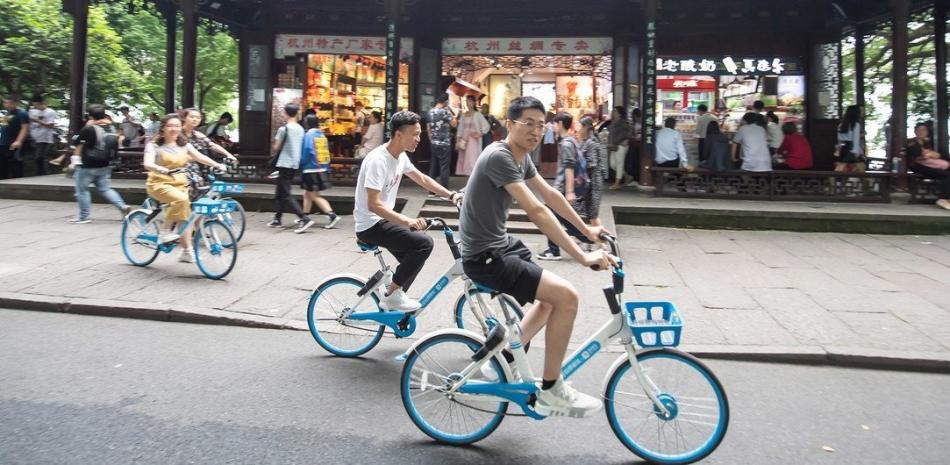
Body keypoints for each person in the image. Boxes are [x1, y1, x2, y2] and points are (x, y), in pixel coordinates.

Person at [459, 96, 615, 418]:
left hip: (500, 245)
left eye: (541, 125)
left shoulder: (521, 157)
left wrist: (587, 230)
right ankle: (551, 390)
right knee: (567, 297)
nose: (535, 131)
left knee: (549, 300)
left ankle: (505, 358)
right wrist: (583, 257)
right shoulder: (499, 156)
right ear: (510, 124)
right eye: (528, 123)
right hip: (485, 256)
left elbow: (551, 195)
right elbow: (537, 210)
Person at [353, 111, 463, 311]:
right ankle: (392, 296)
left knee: (412, 257)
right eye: (415, 134)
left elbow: (422, 179)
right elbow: (373, 205)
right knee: (423, 244)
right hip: (370, 224)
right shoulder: (378, 160)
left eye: (419, 134)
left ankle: (394, 297)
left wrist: (451, 195)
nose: (419, 139)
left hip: (383, 220)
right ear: (398, 135)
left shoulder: (400, 156)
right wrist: (407, 221)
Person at [142, 113, 227, 261]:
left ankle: (186, 252)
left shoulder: (184, 145)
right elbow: (147, 163)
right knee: (181, 200)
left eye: (177, 126)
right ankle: (165, 231)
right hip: (159, 183)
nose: (174, 129)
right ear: (162, 128)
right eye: (170, 126)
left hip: (181, 183)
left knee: (185, 218)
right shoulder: (153, 145)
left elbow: (200, 157)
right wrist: (158, 168)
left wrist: (217, 164)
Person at [538, 112, 594, 260]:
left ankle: (585, 239)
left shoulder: (567, 143)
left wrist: (569, 191)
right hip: (561, 188)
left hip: (562, 188)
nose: (553, 126)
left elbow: (569, 168)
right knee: (560, 218)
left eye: (555, 123)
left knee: (555, 217)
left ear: (561, 124)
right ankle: (585, 239)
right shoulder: (570, 141)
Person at [67, 104, 132, 224]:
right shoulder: (112, 128)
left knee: (82, 190)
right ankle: (122, 207)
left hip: (87, 165)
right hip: (105, 164)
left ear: (90, 116)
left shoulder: (89, 128)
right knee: (105, 189)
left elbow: (76, 141)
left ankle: (84, 217)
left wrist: (87, 126)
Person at [267, 104, 314, 233]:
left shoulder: (284, 129)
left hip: (284, 163)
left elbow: (276, 147)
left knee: (286, 193)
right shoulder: (300, 129)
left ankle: (304, 218)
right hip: (295, 163)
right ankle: (277, 218)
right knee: (280, 191)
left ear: (286, 113)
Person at [299, 114, 340, 227]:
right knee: (307, 193)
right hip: (320, 167)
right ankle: (304, 215)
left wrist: (301, 163)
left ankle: (332, 215)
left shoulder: (308, 135)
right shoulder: (321, 135)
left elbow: (307, 150)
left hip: (310, 168)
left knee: (313, 195)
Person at [179, 108, 237, 175]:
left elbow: (212, 145)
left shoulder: (197, 134)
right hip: (184, 169)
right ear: (184, 118)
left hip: (199, 168)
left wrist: (228, 155)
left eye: (198, 117)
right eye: (192, 117)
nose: (195, 119)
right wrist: (217, 165)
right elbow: (198, 157)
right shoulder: (178, 134)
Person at [906, 122, 950, 210]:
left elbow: (938, 155)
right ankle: (943, 198)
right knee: (947, 175)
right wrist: (928, 155)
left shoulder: (927, 143)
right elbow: (916, 156)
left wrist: (931, 154)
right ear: (915, 131)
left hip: (930, 165)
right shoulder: (911, 142)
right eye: (919, 130)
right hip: (919, 167)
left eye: (924, 130)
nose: (922, 132)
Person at [574, 117, 607, 227]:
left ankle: (602, 240)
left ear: (586, 127)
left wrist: (577, 165)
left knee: (593, 214)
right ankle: (597, 240)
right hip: (588, 181)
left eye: (580, 127)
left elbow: (592, 163)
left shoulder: (591, 142)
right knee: (589, 214)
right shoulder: (585, 141)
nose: (578, 129)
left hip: (594, 181)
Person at [426, 92, 458, 189]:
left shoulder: (430, 112)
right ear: (446, 101)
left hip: (434, 142)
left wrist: (431, 140)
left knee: (433, 166)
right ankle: (444, 189)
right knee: (444, 167)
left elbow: (428, 128)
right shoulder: (445, 112)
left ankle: (431, 190)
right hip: (445, 143)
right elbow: (454, 124)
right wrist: (452, 114)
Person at [455, 95, 490, 176]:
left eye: (470, 101)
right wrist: (458, 140)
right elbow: (460, 129)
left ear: (474, 102)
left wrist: (480, 133)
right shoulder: (463, 115)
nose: (467, 103)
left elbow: (486, 126)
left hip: (473, 140)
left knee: (471, 160)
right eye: (466, 101)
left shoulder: (478, 114)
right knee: (464, 160)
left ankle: (472, 180)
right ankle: (468, 182)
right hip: (464, 140)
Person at [1, 95, 30, 179]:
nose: (7, 105)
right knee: (3, 165)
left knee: (15, 165)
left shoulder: (22, 113)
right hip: (3, 143)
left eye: (9, 103)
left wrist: (19, 141)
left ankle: (18, 182)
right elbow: (4, 127)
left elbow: (25, 128)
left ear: (15, 103)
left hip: (13, 143)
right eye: (5, 102)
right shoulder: (7, 113)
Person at [28, 95, 58, 176]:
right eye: (34, 105)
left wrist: (37, 121)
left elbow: (51, 126)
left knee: (39, 157)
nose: (35, 107)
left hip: (44, 138)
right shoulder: (33, 111)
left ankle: (43, 174)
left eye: (36, 105)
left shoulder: (50, 112)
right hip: (34, 138)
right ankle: (40, 173)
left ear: (42, 103)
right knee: (37, 157)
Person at [606, 106, 633, 189]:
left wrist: (626, 140)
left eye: (615, 111)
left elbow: (630, 132)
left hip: (621, 145)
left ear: (620, 114)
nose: (613, 113)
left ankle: (617, 183)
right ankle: (627, 176)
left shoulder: (623, 122)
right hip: (613, 145)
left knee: (619, 164)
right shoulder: (613, 122)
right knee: (613, 164)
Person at [835, 105, 865, 173]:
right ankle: (831, 181)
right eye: (861, 111)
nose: (863, 112)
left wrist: (838, 149)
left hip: (844, 148)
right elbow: (856, 139)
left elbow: (839, 138)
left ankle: (833, 181)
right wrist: (856, 152)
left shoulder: (842, 125)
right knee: (861, 167)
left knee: (841, 167)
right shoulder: (856, 124)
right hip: (852, 149)